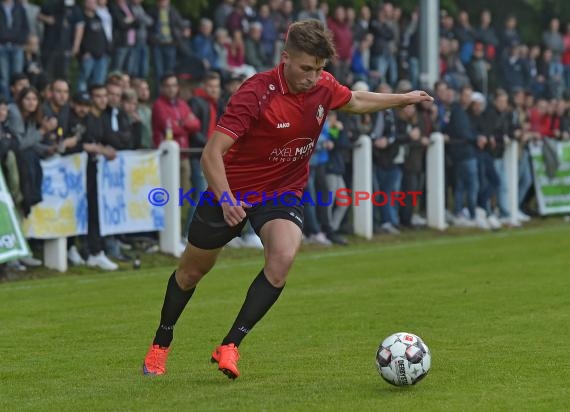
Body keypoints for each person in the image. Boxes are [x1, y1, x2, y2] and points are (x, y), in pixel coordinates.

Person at [142, 19, 432, 379]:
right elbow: (211, 154)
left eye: (319, 69)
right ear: (285, 59)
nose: (312, 77)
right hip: (232, 190)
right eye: (306, 68)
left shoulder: (323, 86)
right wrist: (228, 198)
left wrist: (402, 99)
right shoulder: (256, 93)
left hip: (282, 191)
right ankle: (161, 343)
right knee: (191, 272)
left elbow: (355, 99)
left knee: (282, 257)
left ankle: (230, 345)